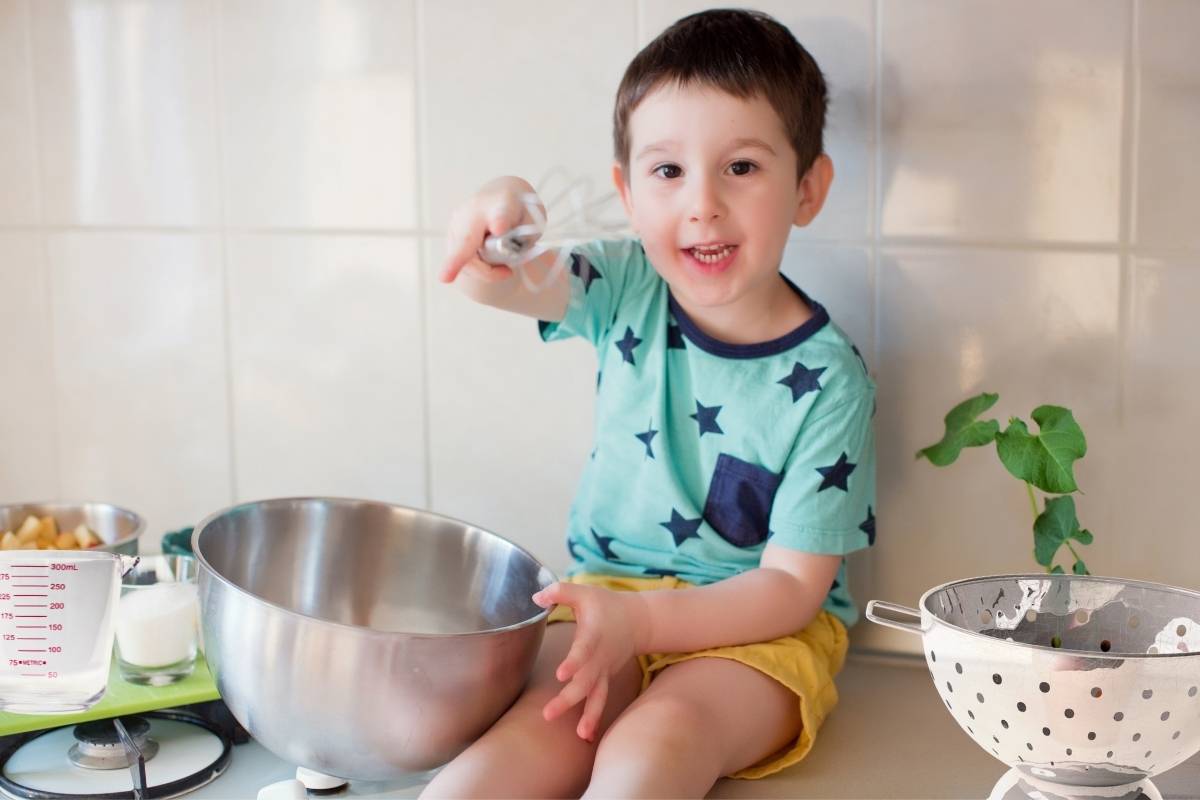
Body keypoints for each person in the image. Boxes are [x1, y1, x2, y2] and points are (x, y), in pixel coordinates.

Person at [424, 8, 876, 798]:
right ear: (627, 194)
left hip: (758, 636)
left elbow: (791, 589)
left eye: (740, 167)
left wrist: (646, 626)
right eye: (668, 172)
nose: (701, 205)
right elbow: (477, 275)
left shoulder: (831, 381)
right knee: (497, 765)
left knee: (653, 746)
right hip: (608, 603)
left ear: (808, 189)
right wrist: (502, 204)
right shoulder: (626, 286)